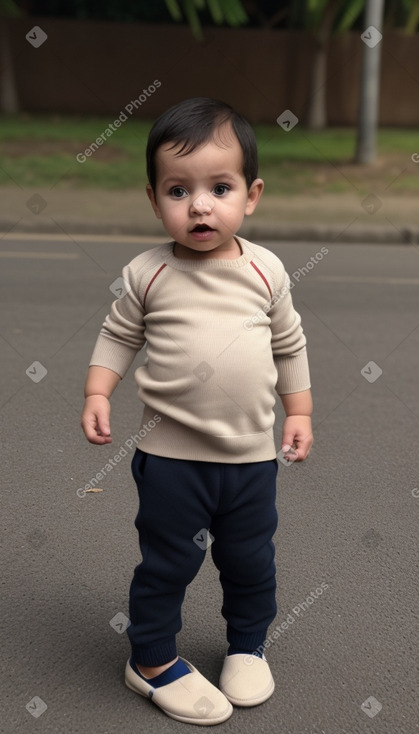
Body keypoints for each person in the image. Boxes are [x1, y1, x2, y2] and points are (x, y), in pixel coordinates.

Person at [81, 97, 313, 726]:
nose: (200, 205)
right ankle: (151, 660)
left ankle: (247, 645)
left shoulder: (266, 270)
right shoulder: (147, 273)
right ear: (155, 200)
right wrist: (98, 391)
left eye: (220, 187)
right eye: (179, 190)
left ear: (252, 194)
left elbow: (289, 345)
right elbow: (118, 336)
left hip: (250, 459)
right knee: (168, 561)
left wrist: (300, 412)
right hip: (171, 460)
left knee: (251, 559)